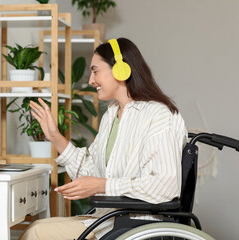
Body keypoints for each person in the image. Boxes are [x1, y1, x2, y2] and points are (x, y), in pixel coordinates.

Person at [19, 37, 187, 240]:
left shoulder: (158, 115)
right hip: (108, 220)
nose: (90, 80)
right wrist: (55, 137)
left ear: (120, 70)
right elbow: (90, 171)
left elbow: (164, 185)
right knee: (35, 227)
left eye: (95, 71)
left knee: (37, 233)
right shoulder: (111, 115)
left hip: (136, 226)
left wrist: (102, 185)